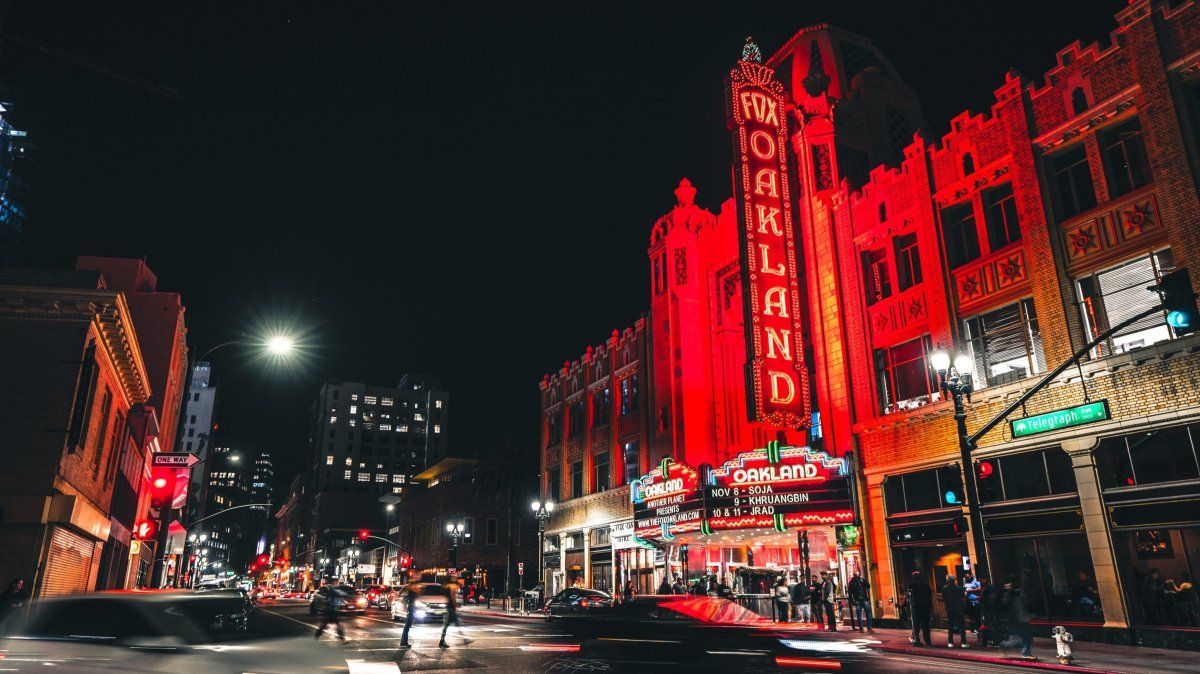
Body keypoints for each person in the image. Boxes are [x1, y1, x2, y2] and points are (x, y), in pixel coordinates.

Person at [999, 575, 1035, 660]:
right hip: (1018, 619)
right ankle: (1025, 652)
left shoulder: (1011, 593)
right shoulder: (1012, 594)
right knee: (1026, 636)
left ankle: (1006, 645)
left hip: (1017, 618)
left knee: (1022, 636)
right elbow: (1018, 608)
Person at [942, 574, 967, 648]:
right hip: (959, 608)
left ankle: (950, 642)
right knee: (962, 625)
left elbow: (944, 597)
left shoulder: (945, 588)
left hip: (950, 608)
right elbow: (964, 595)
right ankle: (963, 642)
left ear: (948, 580)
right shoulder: (959, 588)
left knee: (950, 625)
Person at [907, 571, 932, 647]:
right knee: (925, 625)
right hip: (925, 607)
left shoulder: (912, 585)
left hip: (916, 607)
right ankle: (927, 641)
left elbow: (909, 596)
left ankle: (917, 640)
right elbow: (929, 595)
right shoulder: (925, 585)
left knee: (916, 625)